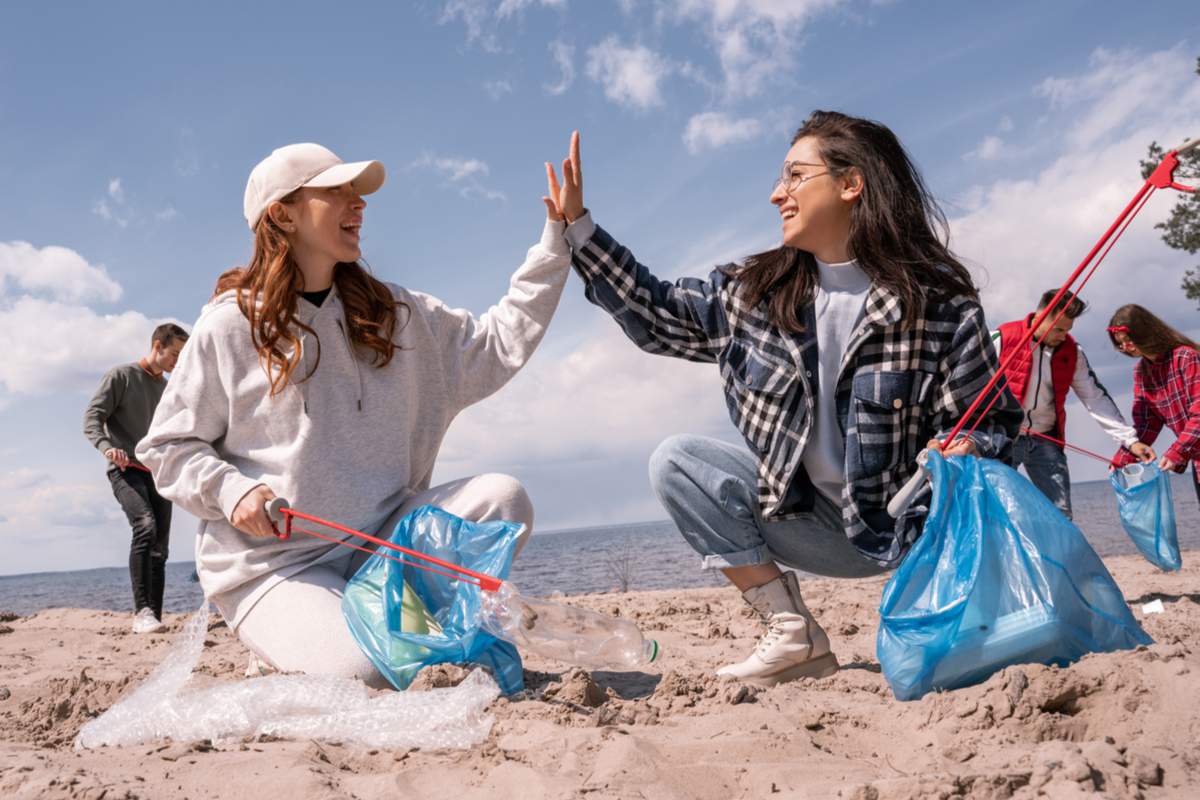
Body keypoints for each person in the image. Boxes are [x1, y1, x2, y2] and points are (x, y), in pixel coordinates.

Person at [544, 113, 1022, 687]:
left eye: (795, 176)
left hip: (913, 534)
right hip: (813, 527)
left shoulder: (939, 306)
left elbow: (993, 422)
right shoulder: (752, 294)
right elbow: (655, 312)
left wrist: (962, 445)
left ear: (851, 184)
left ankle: (968, 617)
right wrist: (580, 228)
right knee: (678, 460)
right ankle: (793, 633)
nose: (777, 194)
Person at [138, 142, 571, 685]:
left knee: (504, 500)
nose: (358, 204)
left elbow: (495, 344)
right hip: (276, 566)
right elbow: (167, 449)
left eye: (358, 193)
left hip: (386, 548)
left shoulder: (397, 314)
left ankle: (385, 622)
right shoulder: (227, 328)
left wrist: (556, 242)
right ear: (283, 213)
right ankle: (303, 636)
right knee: (364, 672)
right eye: (336, 191)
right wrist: (232, 492)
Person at [991, 290, 1154, 518]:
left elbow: (1095, 397)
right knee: (1000, 511)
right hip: (1005, 437)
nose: (1063, 335)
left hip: (1046, 439)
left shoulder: (1072, 352)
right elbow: (972, 382)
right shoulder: (1002, 338)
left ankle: (1058, 554)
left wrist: (1131, 441)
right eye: (1058, 329)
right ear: (1040, 317)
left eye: (1068, 330)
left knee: (1061, 513)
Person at [83, 323, 189, 633]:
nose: (178, 362)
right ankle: (142, 612)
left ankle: (153, 616)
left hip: (158, 474)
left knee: (161, 548)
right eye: (175, 354)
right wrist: (108, 448)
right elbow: (92, 419)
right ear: (157, 346)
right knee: (145, 526)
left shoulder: (169, 389)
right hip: (125, 469)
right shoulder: (121, 376)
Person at [1108, 304, 1200, 503]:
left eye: (1128, 341)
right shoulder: (1141, 372)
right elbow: (1146, 423)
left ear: (1145, 333)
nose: (1125, 348)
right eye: (1120, 344)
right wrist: (1125, 457)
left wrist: (1177, 451)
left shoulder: (1185, 357)